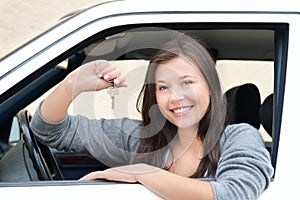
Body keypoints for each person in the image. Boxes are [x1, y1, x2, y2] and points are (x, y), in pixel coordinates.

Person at [30, 33, 274, 200]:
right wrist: (71, 84)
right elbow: (48, 130)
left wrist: (142, 173)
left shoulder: (239, 137)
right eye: (163, 87)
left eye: (187, 82)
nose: (176, 97)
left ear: (210, 86)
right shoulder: (139, 138)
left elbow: (236, 194)